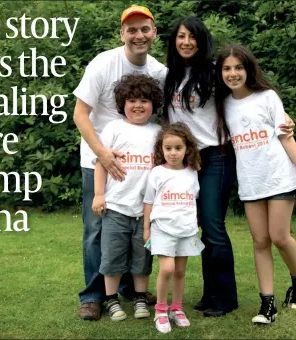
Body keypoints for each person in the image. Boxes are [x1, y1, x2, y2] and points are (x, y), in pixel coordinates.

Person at [162, 16, 295, 317]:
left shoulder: (213, 73)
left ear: (201, 40)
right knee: (195, 226)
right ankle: (210, 295)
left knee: (212, 225)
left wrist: (282, 121)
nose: (186, 42)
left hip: (215, 156)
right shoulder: (169, 75)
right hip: (184, 160)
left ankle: (224, 298)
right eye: (181, 36)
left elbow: (243, 95)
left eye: (192, 37)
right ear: (174, 41)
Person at [73, 5, 167, 320]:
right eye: (132, 29)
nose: (138, 35)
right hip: (98, 161)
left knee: (136, 228)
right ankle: (93, 296)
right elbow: (80, 114)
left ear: (154, 32)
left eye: (144, 29)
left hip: (140, 169)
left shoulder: (158, 71)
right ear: (122, 33)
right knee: (97, 230)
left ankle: (129, 289)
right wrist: (102, 153)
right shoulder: (103, 63)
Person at [214, 44, 296, 325]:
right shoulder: (222, 105)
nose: (233, 73)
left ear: (249, 69)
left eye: (238, 67)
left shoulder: (267, 97)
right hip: (251, 181)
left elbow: (285, 136)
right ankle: (267, 305)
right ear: (220, 73)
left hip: (279, 176)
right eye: (226, 68)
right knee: (260, 241)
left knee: (279, 237)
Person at [91, 73, 163, 322]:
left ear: (154, 103)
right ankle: (111, 300)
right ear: (123, 103)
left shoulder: (158, 132)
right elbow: (101, 162)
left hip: (145, 212)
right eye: (132, 100)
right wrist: (99, 194)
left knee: (142, 258)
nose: (138, 105)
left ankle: (140, 297)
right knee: (112, 257)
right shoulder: (113, 128)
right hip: (116, 207)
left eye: (144, 100)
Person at [143, 123, 204, 333]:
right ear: (161, 149)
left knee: (179, 271)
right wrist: (146, 228)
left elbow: (193, 201)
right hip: (162, 227)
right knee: (167, 269)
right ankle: (160, 310)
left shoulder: (192, 173)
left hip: (186, 229)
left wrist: (195, 224)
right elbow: (148, 201)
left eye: (178, 148)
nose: (173, 153)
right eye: (168, 148)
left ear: (187, 149)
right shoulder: (157, 173)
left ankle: (176, 309)